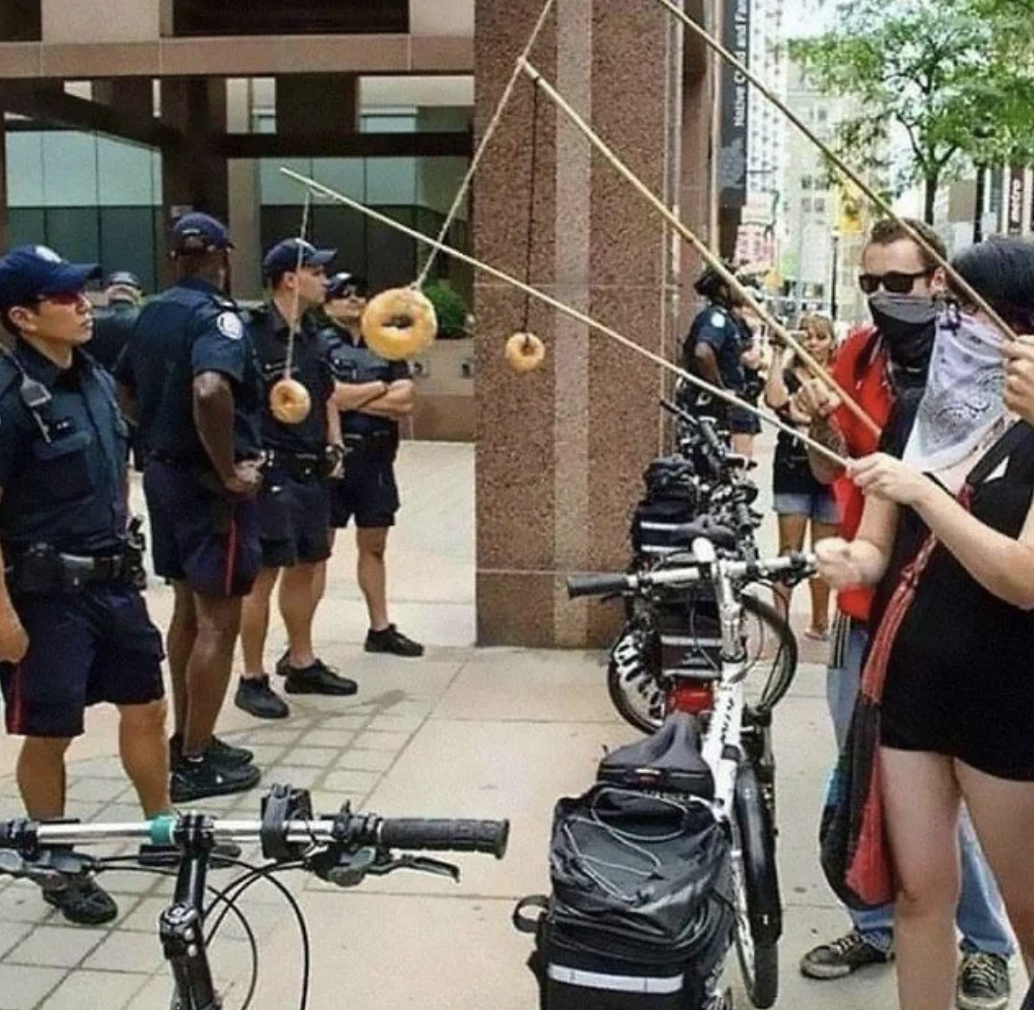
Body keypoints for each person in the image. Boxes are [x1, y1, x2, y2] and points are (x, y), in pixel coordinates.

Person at [794, 219, 1013, 1010]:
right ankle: (889, 941)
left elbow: (1020, 575)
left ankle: (989, 947)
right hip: (895, 652)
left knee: (1007, 874)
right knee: (901, 856)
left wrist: (919, 490)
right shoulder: (892, 385)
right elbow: (866, 529)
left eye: (906, 285)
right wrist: (843, 559)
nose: (890, 302)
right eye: (872, 286)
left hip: (997, 664)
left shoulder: (1009, 412)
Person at [0, 245, 169, 924]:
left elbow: (115, 465)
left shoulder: (95, 377)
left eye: (82, 294)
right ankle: (55, 855)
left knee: (148, 706)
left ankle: (162, 829)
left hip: (112, 581)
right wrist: (4, 616)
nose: (83, 306)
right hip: (45, 596)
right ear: (22, 315)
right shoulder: (9, 399)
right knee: (51, 732)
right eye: (65, 298)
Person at [117, 213, 263, 803]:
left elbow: (123, 383)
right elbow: (211, 388)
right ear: (223, 256)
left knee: (186, 609)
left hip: (165, 476)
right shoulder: (218, 317)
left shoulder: (154, 311)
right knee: (220, 620)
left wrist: (153, 430)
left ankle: (188, 735)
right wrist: (228, 469)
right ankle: (197, 756)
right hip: (211, 492)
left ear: (175, 257)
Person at [234, 241, 358, 720]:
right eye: (315, 271)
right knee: (262, 576)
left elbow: (326, 394)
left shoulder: (313, 334)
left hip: (311, 467)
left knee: (307, 565)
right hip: (271, 470)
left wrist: (335, 444)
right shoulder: (251, 333)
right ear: (289, 278)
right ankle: (251, 676)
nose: (325, 280)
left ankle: (301, 659)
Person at [314, 271, 423, 658]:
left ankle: (380, 627)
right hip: (332, 461)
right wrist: (378, 390)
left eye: (360, 294)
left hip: (376, 460)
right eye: (344, 294)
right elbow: (329, 398)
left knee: (374, 545)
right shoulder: (319, 344)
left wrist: (353, 397)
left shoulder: (387, 345)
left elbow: (405, 401)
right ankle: (301, 643)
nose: (355, 300)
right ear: (327, 304)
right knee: (316, 553)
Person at [763, 313, 840, 639]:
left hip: (831, 469)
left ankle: (820, 621)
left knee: (824, 551)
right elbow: (775, 401)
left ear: (832, 342)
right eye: (806, 335)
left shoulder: (840, 377)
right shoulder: (789, 374)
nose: (812, 342)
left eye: (820, 337)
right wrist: (778, 354)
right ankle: (780, 622)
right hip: (792, 466)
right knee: (789, 550)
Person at [678, 264, 756, 456]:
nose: (741, 288)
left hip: (722, 412)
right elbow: (703, 352)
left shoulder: (729, 319)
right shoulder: (716, 318)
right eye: (735, 282)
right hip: (709, 408)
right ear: (723, 289)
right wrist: (719, 389)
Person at [89, 271, 143, 373]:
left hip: (98, 381)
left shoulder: (89, 319)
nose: (122, 286)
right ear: (138, 294)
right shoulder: (149, 319)